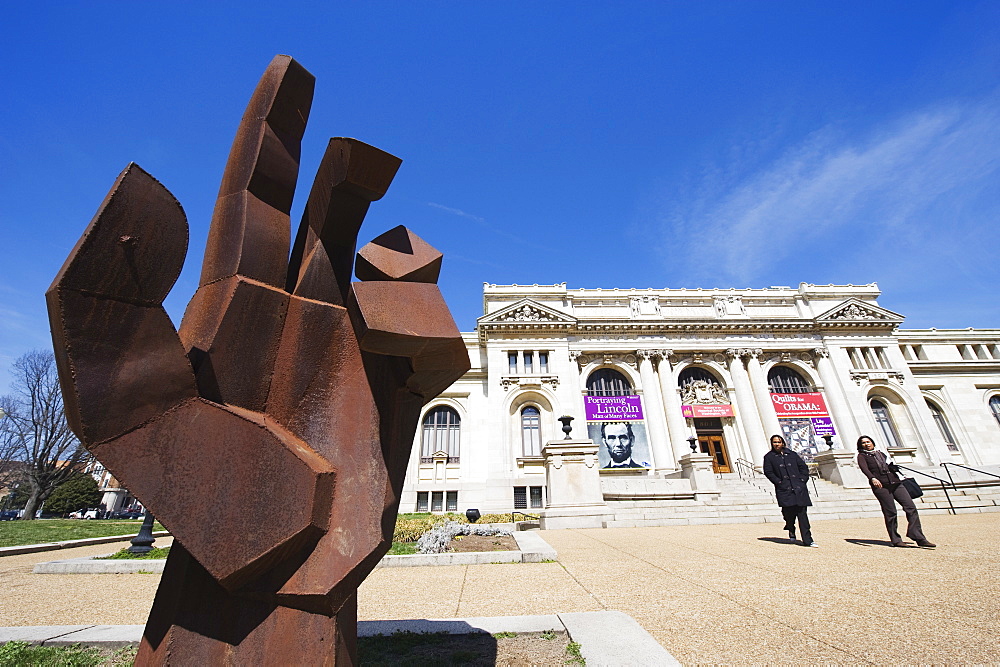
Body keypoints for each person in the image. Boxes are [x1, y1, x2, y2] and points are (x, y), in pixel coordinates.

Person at [856, 435, 935, 548]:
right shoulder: (862, 456)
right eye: (863, 443)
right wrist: (872, 478)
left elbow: (890, 465)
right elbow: (864, 468)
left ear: (872, 442)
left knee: (910, 507)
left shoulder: (881, 454)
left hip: (896, 483)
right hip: (881, 486)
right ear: (860, 445)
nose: (866, 444)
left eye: (868, 442)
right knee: (890, 512)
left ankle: (918, 536)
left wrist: (895, 469)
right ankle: (896, 539)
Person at [762, 434, 817, 547]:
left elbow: (803, 467)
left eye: (779, 442)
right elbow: (768, 472)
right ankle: (791, 528)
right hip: (784, 489)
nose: (777, 444)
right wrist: (779, 482)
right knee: (788, 513)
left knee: (803, 515)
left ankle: (808, 540)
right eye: (774, 442)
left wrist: (802, 480)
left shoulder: (792, 454)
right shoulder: (769, 457)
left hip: (798, 488)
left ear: (783, 443)